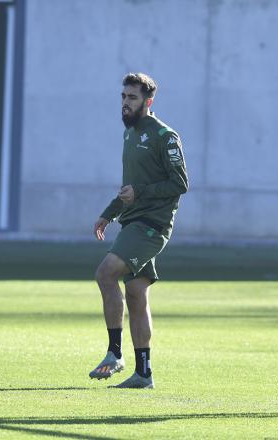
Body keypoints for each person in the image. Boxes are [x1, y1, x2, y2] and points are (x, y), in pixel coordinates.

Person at [89, 72, 188, 388]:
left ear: (148, 101)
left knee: (105, 273)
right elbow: (130, 187)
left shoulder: (164, 136)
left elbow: (180, 184)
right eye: (123, 97)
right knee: (135, 294)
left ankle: (114, 353)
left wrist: (140, 195)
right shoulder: (129, 134)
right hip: (133, 222)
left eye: (132, 98)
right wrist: (109, 213)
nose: (125, 104)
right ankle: (144, 373)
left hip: (152, 226)